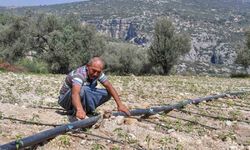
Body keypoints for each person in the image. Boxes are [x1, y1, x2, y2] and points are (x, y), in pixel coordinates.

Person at [58, 57, 130, 119]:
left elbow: (109, 86)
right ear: (87, 67)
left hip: (81, 96)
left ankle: (86, 110)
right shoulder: (79, 74)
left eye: (98, 72)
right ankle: (78, 110)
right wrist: (79, 109)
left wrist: (120, 105)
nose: (95, 74)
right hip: (66, 100)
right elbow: (75, 94)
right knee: (83, 90)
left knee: (108, 93)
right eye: (93, 70)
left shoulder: (98, 74)